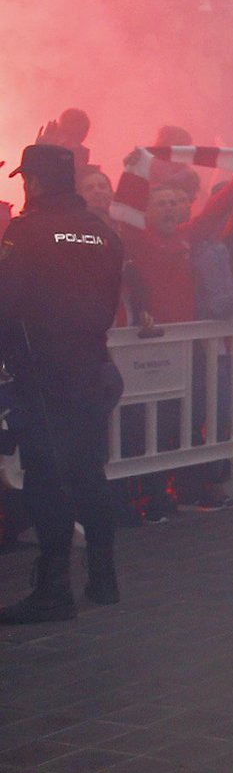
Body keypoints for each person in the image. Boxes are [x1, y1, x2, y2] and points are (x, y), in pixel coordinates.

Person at [0, 144, 123, 622]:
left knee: (47, 478)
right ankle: (104, 577)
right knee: (90, 472)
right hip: (92, 367)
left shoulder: (27, 231)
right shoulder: (102, 233)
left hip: (43, 372)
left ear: (34, 181)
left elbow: (6, 305)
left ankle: (53, 590)